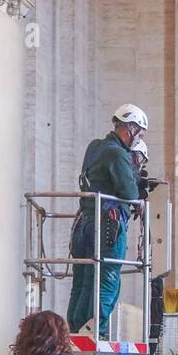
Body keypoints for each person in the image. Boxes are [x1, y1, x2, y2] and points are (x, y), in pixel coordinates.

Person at [66, 103, 148, 338]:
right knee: (107, 279)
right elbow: (130, 193)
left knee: (83, 280)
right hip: (108, 225)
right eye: (139, 134)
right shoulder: (116, 152)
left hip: (84, 224)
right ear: (131, 128)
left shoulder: (94, 147)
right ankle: (95, 331)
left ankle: (75, 329)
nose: (138, 139)